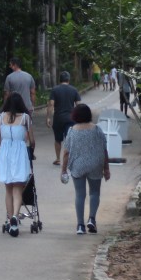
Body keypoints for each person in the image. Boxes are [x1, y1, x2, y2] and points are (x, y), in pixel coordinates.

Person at [61, 103, 111, 235]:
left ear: (75, 115)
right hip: (95, 164)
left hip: (78, 165)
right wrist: (106, 168)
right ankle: (92, 219)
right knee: (94, 193)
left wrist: (63, 170)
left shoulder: (72, 131)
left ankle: (80, 225)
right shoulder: (97, 130)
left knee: (80, 195)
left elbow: (66, 152)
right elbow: (104, 149)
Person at [0, 92, 32, 237]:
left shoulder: (0, 118)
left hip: (5, 152)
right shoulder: (25, 118)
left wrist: (2, 153)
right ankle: (15, 217)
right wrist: (31, 151)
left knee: (8, 189)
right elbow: (31, 139)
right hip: (19, 152)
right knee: (18, 189)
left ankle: (10, 218)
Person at [3, 57, 37, 159]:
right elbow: (33, 93)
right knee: (28, 129)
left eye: (10, 64)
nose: (10, 66)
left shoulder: (9, 78)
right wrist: (32, 105)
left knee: (14, 129)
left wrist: (6, 107)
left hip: (14, 108)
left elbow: (6, 95)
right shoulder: (29, 76)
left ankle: (15, 150)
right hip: (27, 107)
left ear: (14, 65)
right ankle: (30, 152)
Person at [46, 71, 81, 166]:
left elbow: (51, 104)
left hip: (58, 118)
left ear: (59, 79)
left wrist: (48, 117)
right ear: (68, 80)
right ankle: (71, 159)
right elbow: (78, 105)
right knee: (70, 139)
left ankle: (58, 159)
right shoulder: (74, 90)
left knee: (58, 140)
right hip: (71, 119)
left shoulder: (55, 90)